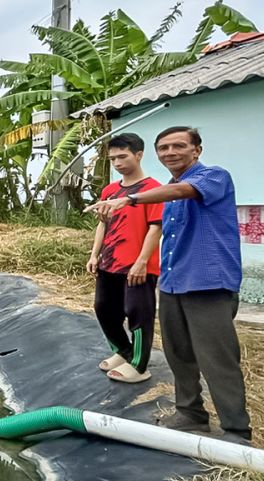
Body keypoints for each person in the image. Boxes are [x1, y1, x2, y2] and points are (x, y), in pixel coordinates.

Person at [86, 126, 251, 444]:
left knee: (216, 358)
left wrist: (128, 200)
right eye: (164, 148)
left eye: (179, 146)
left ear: (196, 150)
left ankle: (236, 430)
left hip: (208, 284)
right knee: (178, 354)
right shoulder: (168, 189)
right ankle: (190, 414)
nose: (170, 153)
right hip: (174, 283)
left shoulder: (212, 177)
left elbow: (181, 193)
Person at [87, 133, 163, 384]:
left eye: (123, 156)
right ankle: (124, 351)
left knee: (138, 313)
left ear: (138, 155)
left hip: (138, 265)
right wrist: (94, 254)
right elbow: (102, 226)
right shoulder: (110, 191)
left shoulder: (153, 190)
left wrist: (142, 260)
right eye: (113, 159)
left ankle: (140, 365)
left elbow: (155, 228)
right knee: (104, 309)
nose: (118, 163)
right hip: (109, 262)